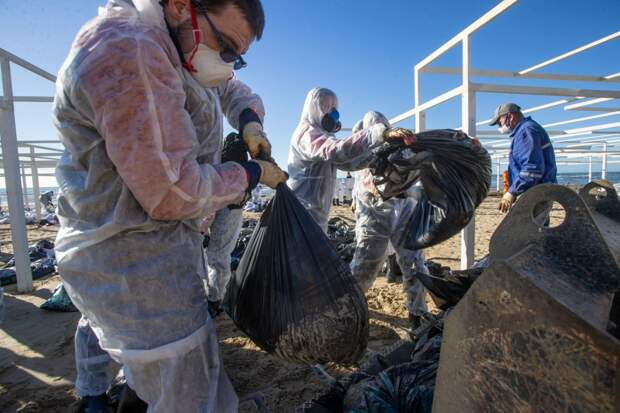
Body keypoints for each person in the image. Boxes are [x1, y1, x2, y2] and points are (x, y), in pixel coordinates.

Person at [55, 0, 287, 411]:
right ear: (181, 5)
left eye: (239, 56)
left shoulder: (177, 45)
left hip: (157, 251)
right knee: (185, 389)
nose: (229, 62)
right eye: (228, 47)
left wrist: (250, 120)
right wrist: (250, 175)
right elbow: (172, 192)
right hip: (132, 263)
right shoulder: (132, 53)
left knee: (152, 378)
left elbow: (229, 85)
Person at [287, 87, 412, 231]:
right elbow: (334, 151)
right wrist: (377, 134)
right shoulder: (306, 133)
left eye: (335, 108)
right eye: (328, 107)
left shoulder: (323, 135)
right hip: (302, 211)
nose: (334, 114)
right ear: (315, 108)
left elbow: (347, 163)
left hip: (316, 213)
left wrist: (378, 152)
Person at [349, 111, 429, 329]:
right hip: (375, 213)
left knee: (414, 262)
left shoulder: (400, 147)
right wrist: (356, 200)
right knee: (366, 263)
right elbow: (360, 179)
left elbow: (413, 170)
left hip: (404, 208)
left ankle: (418, 314)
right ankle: (349, 310)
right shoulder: (362, 151)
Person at [489, 103, 557, 214]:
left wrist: (512, 192)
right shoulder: (527, 129)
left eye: (499, 122)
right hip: (539, 192)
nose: (500, 127)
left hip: (536, 194)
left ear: (510, 116)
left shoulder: (526, 130)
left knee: (530, 230)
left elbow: (532, 170)